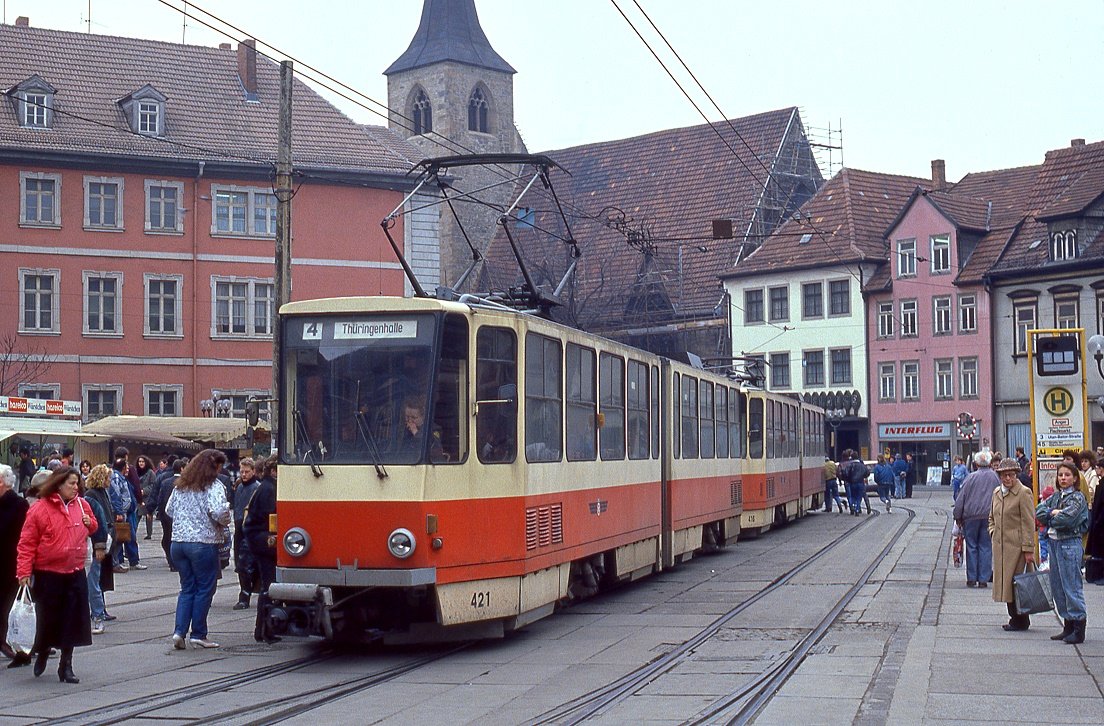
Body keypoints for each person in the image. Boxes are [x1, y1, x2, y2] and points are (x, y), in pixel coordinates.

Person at [15, 466, 97, 683]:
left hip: (75, 571)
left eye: (77, 483)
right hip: (48, 574)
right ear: (58, 484)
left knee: (72, 620)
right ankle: (43, 650)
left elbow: (93, 526)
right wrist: (23, 571)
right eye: (71, 483)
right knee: (47, 619)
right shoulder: (40, 509)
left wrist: (91, 524)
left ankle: (66, 665)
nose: (76, 487)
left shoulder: (82, 504)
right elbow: (26, 543)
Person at [165, 449, 231, 650]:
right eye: (219, 466)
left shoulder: (180, 486)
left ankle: (179, 632)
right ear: (214, 467)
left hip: (178, 543)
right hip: (203, 543)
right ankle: (199, 633)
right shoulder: (213, 485)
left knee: (187, 588)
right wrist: (225, 518)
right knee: (205, 588)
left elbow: (169, 510)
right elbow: (219, 511)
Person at [1036, 461, 1090, 644]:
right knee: (1058, 586)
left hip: (1069, 544)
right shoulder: (1055, 497)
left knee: (1071, 586)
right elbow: (1039, 512)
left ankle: (1078, 626)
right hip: (1054, 543)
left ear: (1075, 478)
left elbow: (1068, 520)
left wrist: (1052, 517)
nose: (1063, 478)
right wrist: (1053, 513)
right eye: (1060, 475)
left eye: (1067, 475)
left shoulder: (1077, 498)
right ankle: (1067, 625)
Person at [988, 458, 1036, 631]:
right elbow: (991, 517)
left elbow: (1028, 522)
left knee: (1017, 584)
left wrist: (1028, 549)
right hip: (1001, 547)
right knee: (1005, 584)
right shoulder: (996, 493)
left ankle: (1021, 619)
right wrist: (993, 532)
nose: (1007, 479)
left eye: (1010, 475)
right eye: (1004, 475)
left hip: (1017, 548)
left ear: (1016, 475)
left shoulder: (1024, 493)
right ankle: (1014, 617)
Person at [244, 455, 279, 643]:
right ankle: (264, 629)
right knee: (270, 585)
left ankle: (263, 629)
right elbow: (271, 517)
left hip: (257, 539)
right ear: (273, 470)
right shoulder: (269, 489)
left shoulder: (264, 487)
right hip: (263, 541)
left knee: (268, 584)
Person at [953, 451, 997, 588]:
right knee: (986, 546)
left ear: (976, 464)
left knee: (971, 546)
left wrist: (957, 516)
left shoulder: (970, 478)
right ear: (990, 463)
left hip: (970, 517)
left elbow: (961, 498)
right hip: (989, 516)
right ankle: (983, 578)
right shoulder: (995, 477)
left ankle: (972, 577)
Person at [0, 464, 30, 666]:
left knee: (8, 605)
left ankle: (10, 644)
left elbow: (23, 537)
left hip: (10, 563)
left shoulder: (19, 505)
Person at [82, 465, 115, 635]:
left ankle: (98, 614)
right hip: (94, 543)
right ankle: (98, 614)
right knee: (93, 581)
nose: (110, 481)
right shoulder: (93, 497)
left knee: (93, 580)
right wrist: (100, 545)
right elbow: (100, 523)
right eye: (108, 478)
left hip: (96, 543)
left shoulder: (95, 495)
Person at [230, 457, 260, 610]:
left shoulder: (257, 487)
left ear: (253, 471)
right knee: (240, 564)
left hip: (250, 529)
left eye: (247, 472)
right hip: (239, 527)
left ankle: (245, 595)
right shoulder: (240, 487)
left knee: (246, 564)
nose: (244, 474)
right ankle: (245, 592)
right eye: (242, 472)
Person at [1086, 457, 1104, 585]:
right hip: (1099, 520)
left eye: (1098, 467)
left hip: (1101, 521)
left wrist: (1098, 521)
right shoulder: (1100, 482)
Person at [838, 450, 868, 516]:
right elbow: (867, 473)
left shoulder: (850, 465)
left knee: (852, 496)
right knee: (859, 497)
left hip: (852, 483)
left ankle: (853, 506)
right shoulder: (862, 465)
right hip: (860, 483)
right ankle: (857, 509)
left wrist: (848, 480)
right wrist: (863, 477)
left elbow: (846, 473)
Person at [136, 455, 158, 540]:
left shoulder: (150, 473)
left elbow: (153, 485)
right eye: (139, 462)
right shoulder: (136, 472)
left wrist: (144, 491)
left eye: (142, 461)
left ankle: (149, 533)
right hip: (138, 498)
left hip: (147, 498)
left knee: (148, 516)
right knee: (136, 515)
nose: (141, 463)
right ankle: (133, 532)